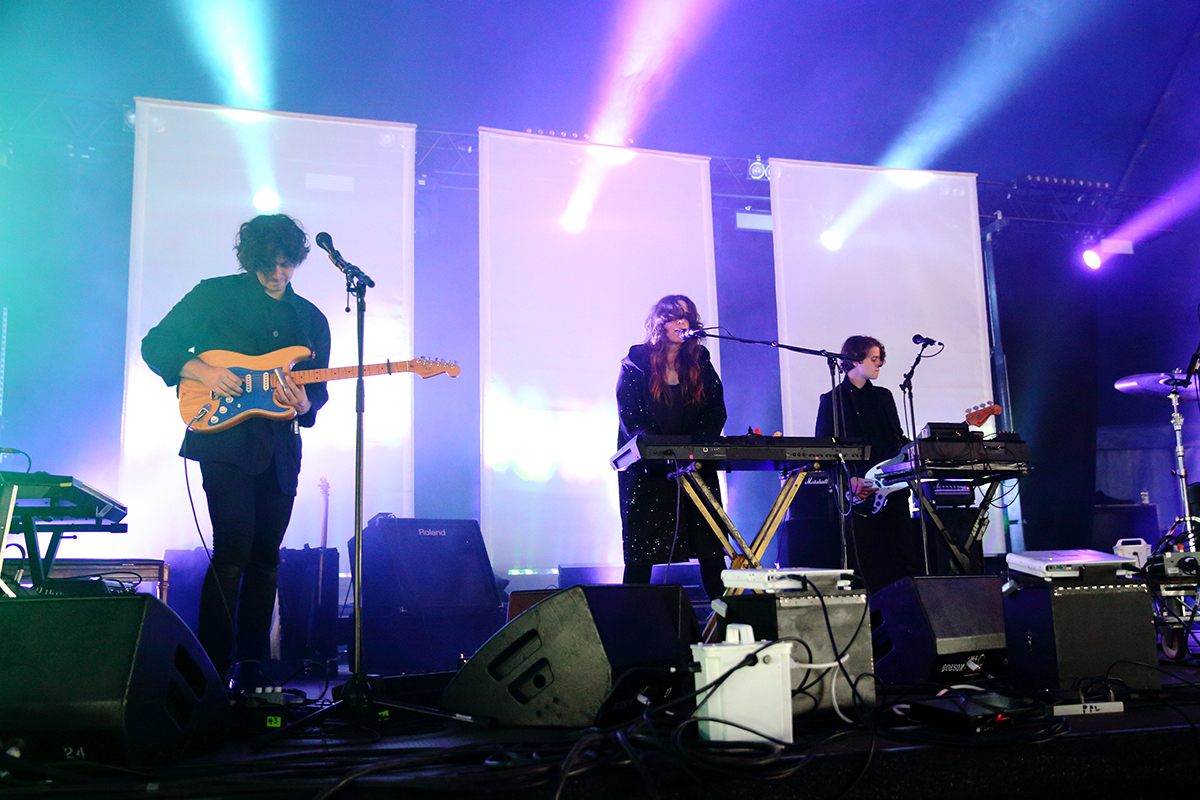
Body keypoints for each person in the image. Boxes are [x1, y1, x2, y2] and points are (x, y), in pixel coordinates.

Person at [142, 213, 331, 691]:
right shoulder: (214, 294)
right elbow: (156, 343)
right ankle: (207, 671)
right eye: (268, 264)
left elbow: (317, 394)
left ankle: (250, 668)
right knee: (231, 551)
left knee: (267, 557)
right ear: (251, 261)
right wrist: (200, 371)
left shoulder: (310, 318)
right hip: (224, 443)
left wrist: (305, 403)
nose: (278, 274)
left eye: (287, 264)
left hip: (281, 450)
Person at [616, 295, 728, 600]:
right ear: (659, 322)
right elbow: (631, 417)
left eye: (687, 317)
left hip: (694, 468)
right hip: (650, 473)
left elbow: (716, 410)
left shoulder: (700, 361)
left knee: (710, 549)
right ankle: (632, 625)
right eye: (675, 317)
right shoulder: (636, 363)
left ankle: (729, 625)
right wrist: (662, 452)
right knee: (642, 557)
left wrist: (695, 450)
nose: (682, 323)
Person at [815, 335, 916, 595]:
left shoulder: (884, 396)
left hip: (891, 491)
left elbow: (897, 441)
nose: (880, 363)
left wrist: (921, 445)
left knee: (901, 559)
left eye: (880, 358)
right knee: (865, 562)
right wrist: (848, 480)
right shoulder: (832, 400)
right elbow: (823, 451)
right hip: (857, 494)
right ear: (855, 359)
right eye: (874, 358)